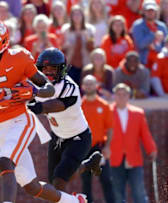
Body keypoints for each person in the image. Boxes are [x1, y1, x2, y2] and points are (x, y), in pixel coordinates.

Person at [0, 18, 87, 203]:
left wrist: (34, 92)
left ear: (1, 41)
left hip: (21, 120)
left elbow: (49, 89)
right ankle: (74, 201)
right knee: (32, 186)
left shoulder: (19, 57)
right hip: (1, 126)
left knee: (5, 161)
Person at [27, 48, 103, 191]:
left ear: (61, 70)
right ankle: (88, 164)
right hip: (57, 136)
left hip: (78, 137)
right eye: (45, 68)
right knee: (52, 183)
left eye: (53, 69)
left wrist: (36, 107)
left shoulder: (69, 86)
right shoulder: (38, 85)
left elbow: (57, 105)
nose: (48, 72)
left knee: (59, 180)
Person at [110, 83, 158, 203]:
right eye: (118, 94)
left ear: (129, 96)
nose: (121, 97)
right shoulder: (108, 112)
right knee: (117, 193)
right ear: (114, 96)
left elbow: (145, 134)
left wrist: (151, 149)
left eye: (124, 94)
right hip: (114, 158)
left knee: (138, 192)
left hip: (134, 157)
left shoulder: (138, 113)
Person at [80, 75, 115, 203]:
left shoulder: (104, 105)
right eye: (86, 84)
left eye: (91, 83)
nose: (89, 86)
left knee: (106, 179)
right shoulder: (78, 106)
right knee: (86, 181)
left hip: (99, 148)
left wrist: (107, 146)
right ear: (83, 86)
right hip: (83, 149)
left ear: (96, 86)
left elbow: (110, 128)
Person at [131, 0, 168, 65]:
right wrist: (154, 35)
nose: (150, 13)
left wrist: (155, 47)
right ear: (143, 11)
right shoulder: (137, 25)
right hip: (143, 62)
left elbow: (165, 46)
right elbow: (140, 45)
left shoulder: (162, 26)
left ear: (156, 11)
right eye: (148, 10)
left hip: (160, 62)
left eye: (152, 10)